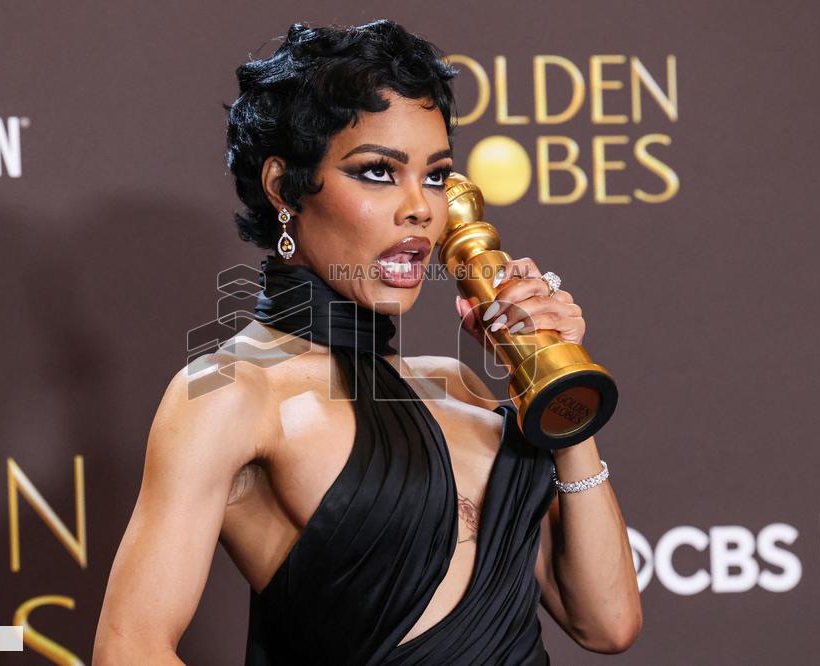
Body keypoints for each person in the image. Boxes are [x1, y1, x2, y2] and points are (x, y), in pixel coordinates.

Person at [94, 19, 641, 665]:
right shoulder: (228, 393)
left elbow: (607, 625)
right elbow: (129, 647)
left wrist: (556, 380)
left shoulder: (457, 383)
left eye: (436, 175)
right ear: (284, 188)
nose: (420, 209)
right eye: (378, 172)